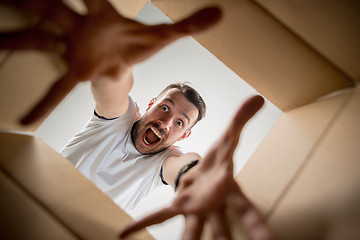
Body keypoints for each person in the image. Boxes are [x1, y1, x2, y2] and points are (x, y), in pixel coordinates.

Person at [1, 0, 275, 239]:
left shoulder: (163, 161)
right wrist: (109, 66)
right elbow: (114, 90)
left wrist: (195, 176)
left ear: (184, 136)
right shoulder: (119, 119)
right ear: (150, 104)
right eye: (166, 108)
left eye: (180, 122)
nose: (166, 124)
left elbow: (181, 166)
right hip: (21, 199)